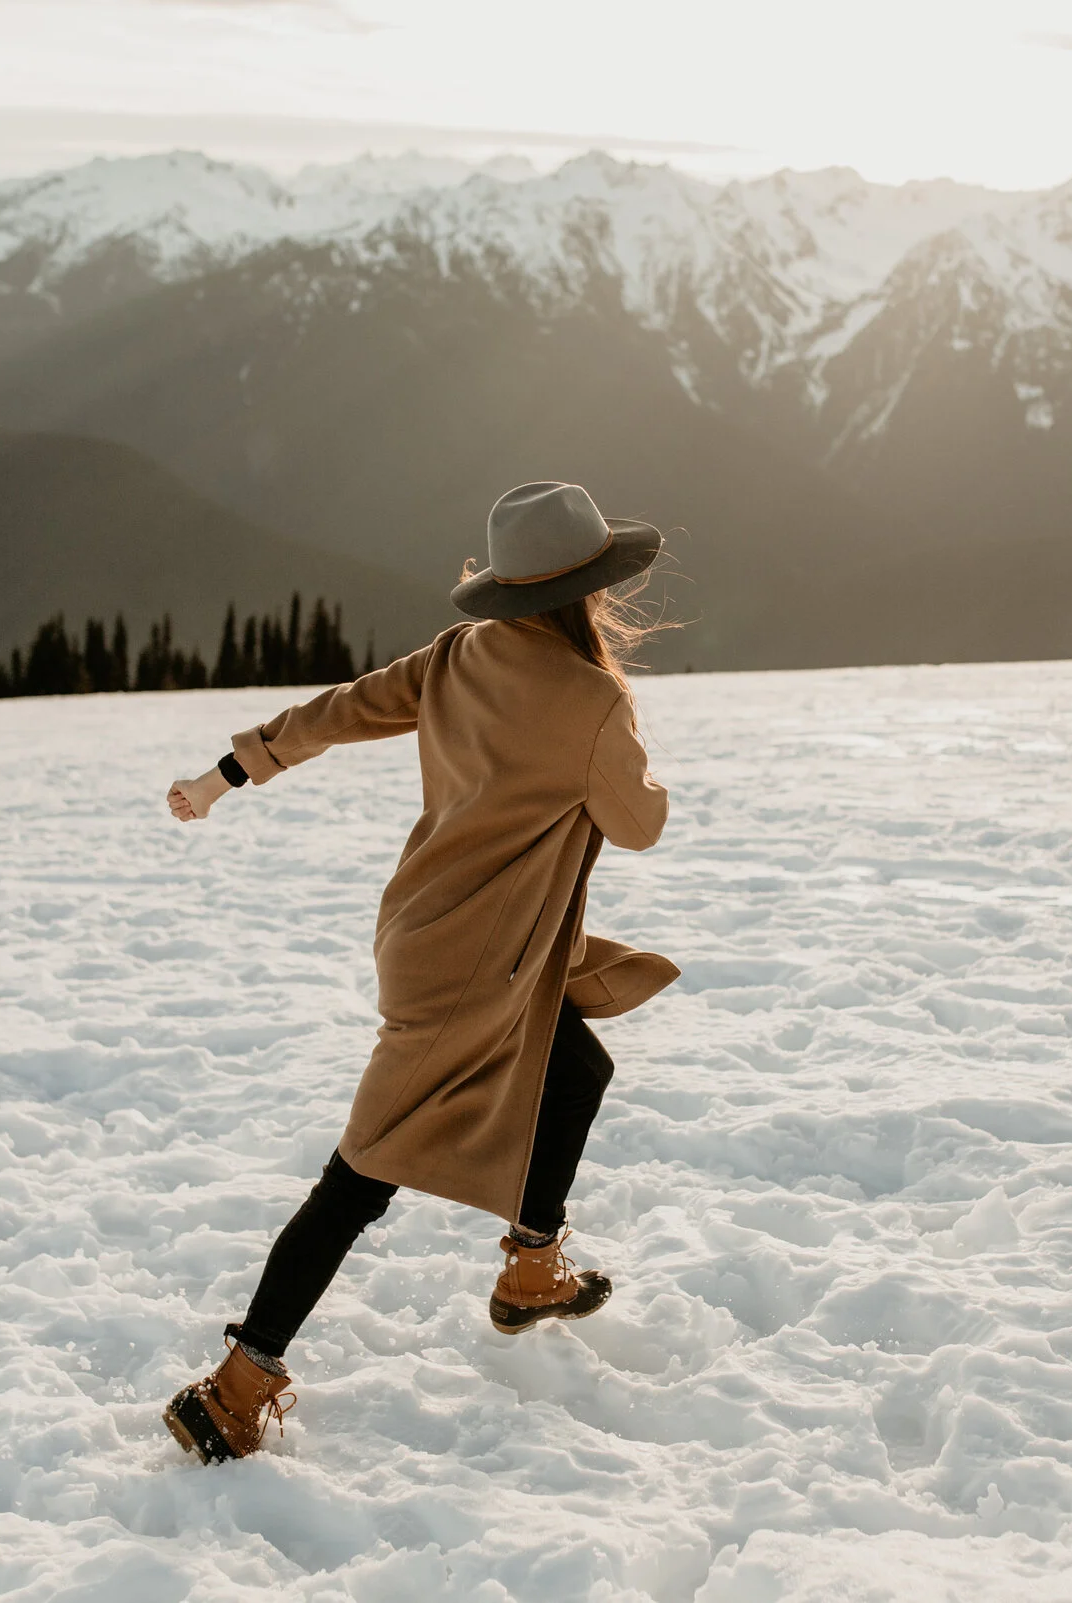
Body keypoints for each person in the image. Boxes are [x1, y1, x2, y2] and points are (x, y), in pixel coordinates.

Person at [157, 482, 679, 1464]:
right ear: (592, 589)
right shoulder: (593, 697)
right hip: (481, 965)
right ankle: (235, 1388)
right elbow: (639, 824)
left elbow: (339, 713)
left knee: (576, 1070)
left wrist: (222, 777)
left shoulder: (456, 656)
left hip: (432, 933)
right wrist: (630, 755)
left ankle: (532, 1267)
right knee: (359, 1177)